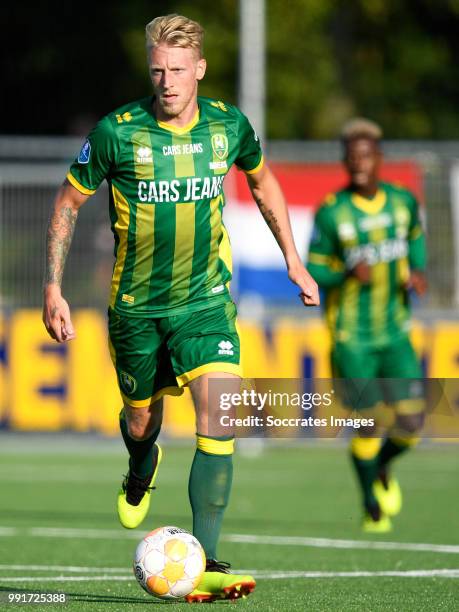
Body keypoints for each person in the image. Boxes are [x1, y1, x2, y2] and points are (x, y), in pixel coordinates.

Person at [42, 13, 319, 602]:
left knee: (220, 417)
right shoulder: (118, 132)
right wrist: (53, 286)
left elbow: (264, 182)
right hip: (137, 311)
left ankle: (209, 560)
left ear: (199, 70)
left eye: (176, 70)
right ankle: (141, 466)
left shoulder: (227, 127)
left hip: (205, 302)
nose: (165, 82)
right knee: (140, 422)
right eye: (156, 70)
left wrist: (293, 258)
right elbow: (68, 203)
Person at [307, 118, 427, 533]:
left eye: (366, 156)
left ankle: (380, 469)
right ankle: (370, 505)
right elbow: (314, 270)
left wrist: (418, 271)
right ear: (345, 160)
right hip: (351, 338)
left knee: (412, 425)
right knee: (370, 422)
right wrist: (343, 274)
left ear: (379, 158)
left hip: (395, 333)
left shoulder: (402, 202)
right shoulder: (331, 211)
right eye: (351, 157)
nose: (358, 164)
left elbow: (415, 238)